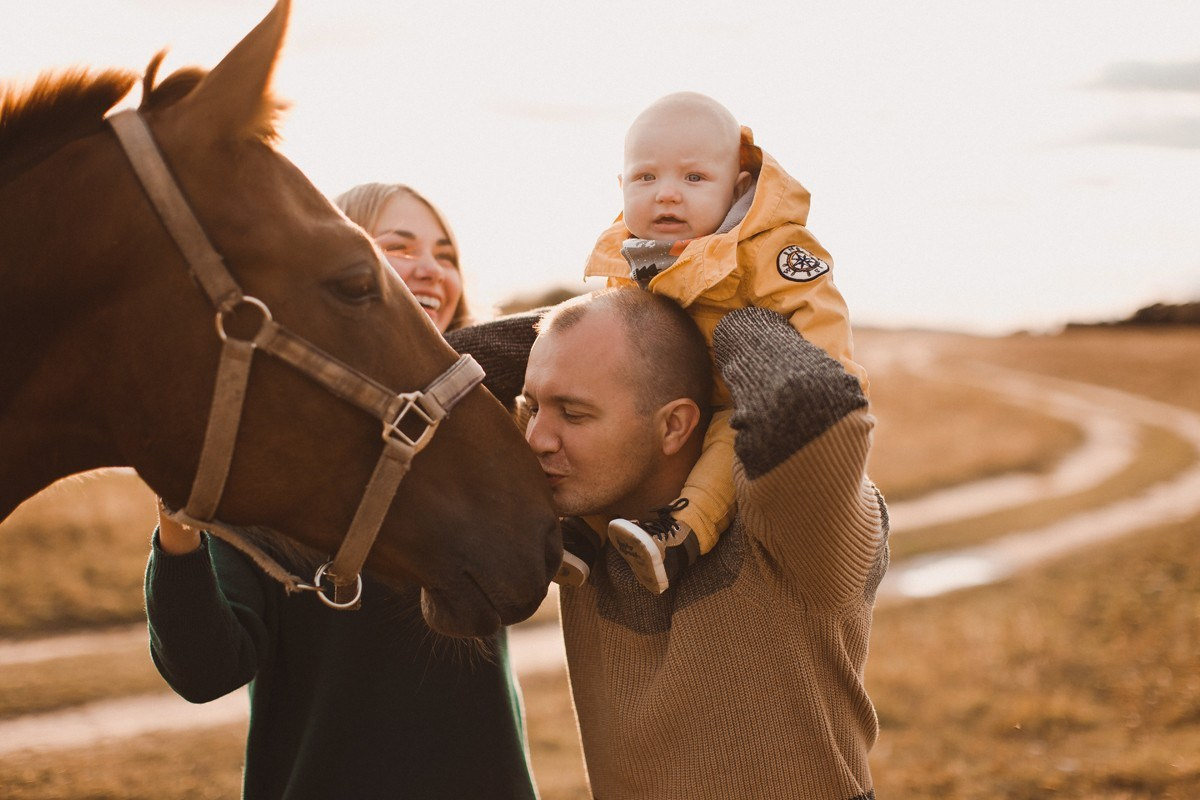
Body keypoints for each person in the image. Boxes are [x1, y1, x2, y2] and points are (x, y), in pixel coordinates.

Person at [144, 183, 538, 800]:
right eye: (397, 248)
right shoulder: (265, 468)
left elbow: (562, 341)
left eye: (446, 255)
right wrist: (177, 520)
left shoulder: (488, 437)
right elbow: (205, 671)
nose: (431, 269)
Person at [513, 288, 887, 798]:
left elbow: (812, 403)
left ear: (674, 426)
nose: (536, 438)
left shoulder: (788, 525)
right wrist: (638, 308)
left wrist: (729, 316)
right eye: (532, 405)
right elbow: (444, 368)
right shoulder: (586, 517)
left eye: (573, 414)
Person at [562, 91, 870, 596]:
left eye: (694, 178)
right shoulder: (629, 256)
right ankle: (582, 527)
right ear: (621, 185)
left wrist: (828, 395)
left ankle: (679, 535)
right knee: (615, 427)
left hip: (737, 398)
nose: (666, 194)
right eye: (645, 177)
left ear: (737, 187)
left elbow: (818, 314)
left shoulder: (768, 247)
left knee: (726, 447)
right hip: (662, 394)